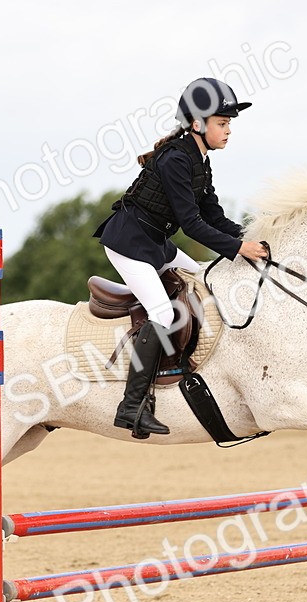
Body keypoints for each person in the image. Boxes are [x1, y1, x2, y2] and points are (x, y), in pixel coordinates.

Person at [93, 77, 269, 439]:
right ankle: (132, 406)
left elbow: (214, 217)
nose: (228, 130)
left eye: (229, 123)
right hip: (129, 243)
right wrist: (238, 250)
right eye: (222, 123)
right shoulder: (176, 159)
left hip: (156, 243)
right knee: (161, 312)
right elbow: (191, 225)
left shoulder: (200, 160)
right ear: (197, 124)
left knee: (204, 280)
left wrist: (251, 238)